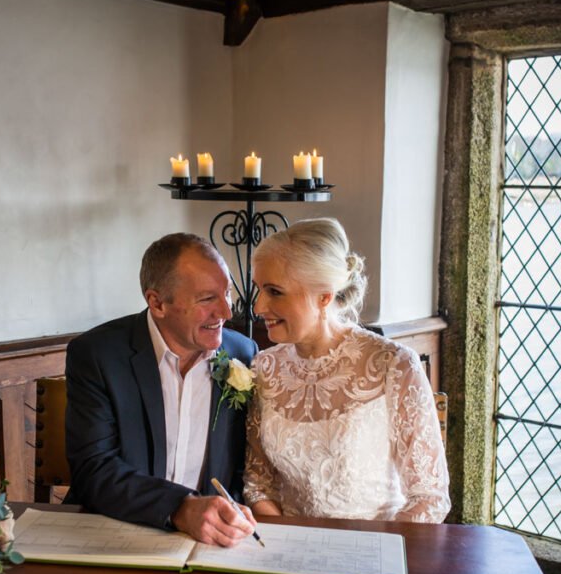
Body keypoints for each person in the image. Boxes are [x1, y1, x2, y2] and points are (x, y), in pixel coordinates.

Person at [243, 218, 450, 522]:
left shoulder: (392, 364)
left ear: (324, 296)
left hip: (376, 552)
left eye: (274, 291)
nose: (258, 306)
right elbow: (259, 484)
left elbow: (428, 497)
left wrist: (375, 557)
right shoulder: (265, 367)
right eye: (259, 289)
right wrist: (285, 541)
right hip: (286, 551)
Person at [65, 233, 260, 546]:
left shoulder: (244, 354)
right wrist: (180, 509)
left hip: (209, 543)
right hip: (114, 531)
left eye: (228, 295)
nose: (225, 312)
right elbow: (93, 470)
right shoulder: (98, 354)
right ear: (157, 303)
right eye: (207, 299)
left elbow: (244, 465)